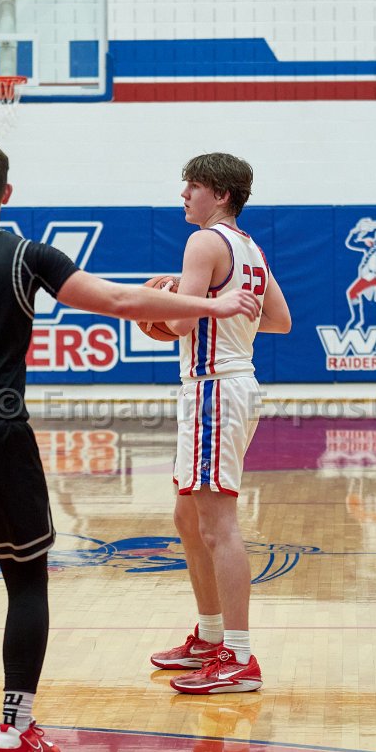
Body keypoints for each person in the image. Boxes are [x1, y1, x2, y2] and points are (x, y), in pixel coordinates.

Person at [0, 141, 261, 752]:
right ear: (7, 194)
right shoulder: (27, 255)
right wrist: (211, 304)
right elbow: (119, 301)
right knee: (25, 578)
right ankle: (15, 729)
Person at [150, 152, 291, 693]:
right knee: (188, 519)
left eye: (193, 186)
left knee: (217, 525)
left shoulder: (204, 242)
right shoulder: (250, 248)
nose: (183, 195)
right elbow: (279, 321)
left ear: (222, 194)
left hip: (214, 389)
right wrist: (207, 301)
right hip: (231, 386)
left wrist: (157, 303)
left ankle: (239, 656)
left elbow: (181, 323)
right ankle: (210, 638)